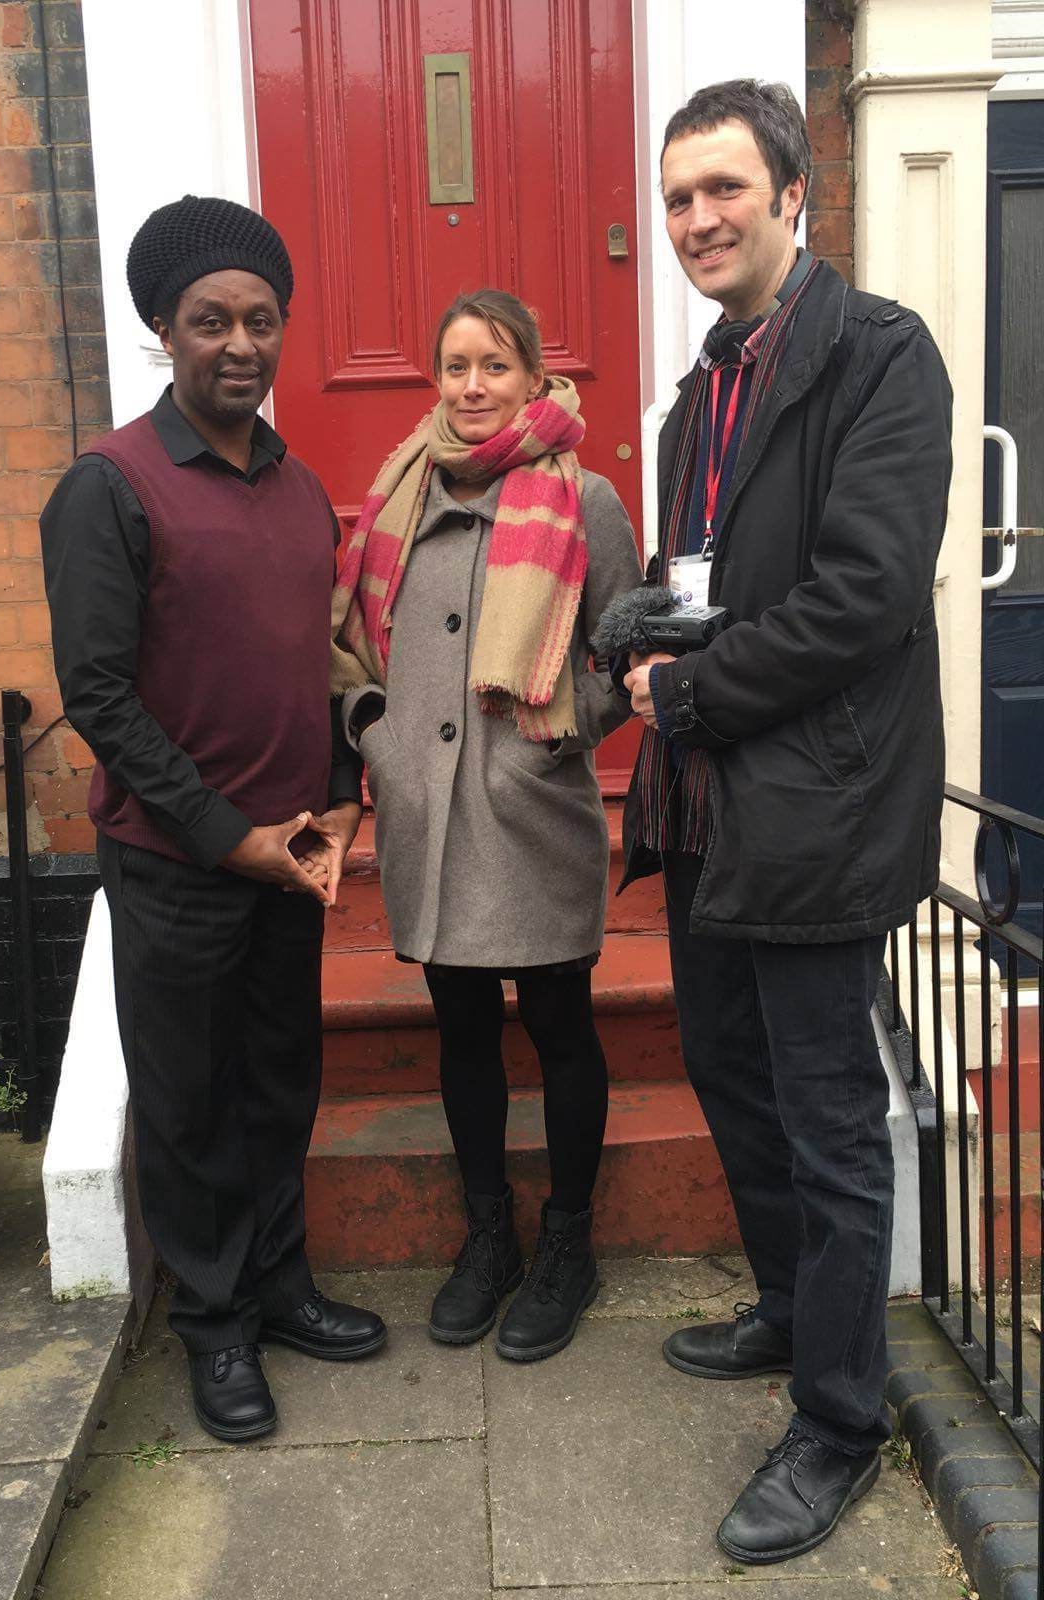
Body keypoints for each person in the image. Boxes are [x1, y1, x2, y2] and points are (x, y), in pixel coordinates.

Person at [620, 82, 952, 1563]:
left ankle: (837, 1421)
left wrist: (690, 690)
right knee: (730, 1073)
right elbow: (704, 576)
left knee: (827, 1123)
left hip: (816, 807)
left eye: (722, 190)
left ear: (791, 194)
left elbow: (864, 595)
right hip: (708, 807)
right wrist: (636, 624)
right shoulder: (699, 395)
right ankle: (783, 1306)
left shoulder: (878, 353)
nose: (696, 220)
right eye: (676, 198)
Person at [39, 195, 385, 1444]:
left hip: (288, 856)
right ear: (163, 329)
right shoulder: (111, 486)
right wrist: (218, 829)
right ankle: (215, 1320)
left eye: (260, 320)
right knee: (188, 1103)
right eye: (210, 321)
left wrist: (337, 797)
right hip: (177, 860)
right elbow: (98, 695)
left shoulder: (297, 489)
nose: (240, 343)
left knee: (279, 1081)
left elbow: (320, 664)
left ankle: (280, 1284)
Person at [326, 288, 643, 1361]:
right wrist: (372, 732)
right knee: (460, 1027)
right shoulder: (401, 492)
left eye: (494, 366)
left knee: (558, 1025)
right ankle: (488, 1236)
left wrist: (554, 736)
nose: (472, 387)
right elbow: (352, 642)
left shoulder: (584, 497)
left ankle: (567, 1243)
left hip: (530, 812)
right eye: (455, 366)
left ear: (534, 377)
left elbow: (623, 652)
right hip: (426, 806)